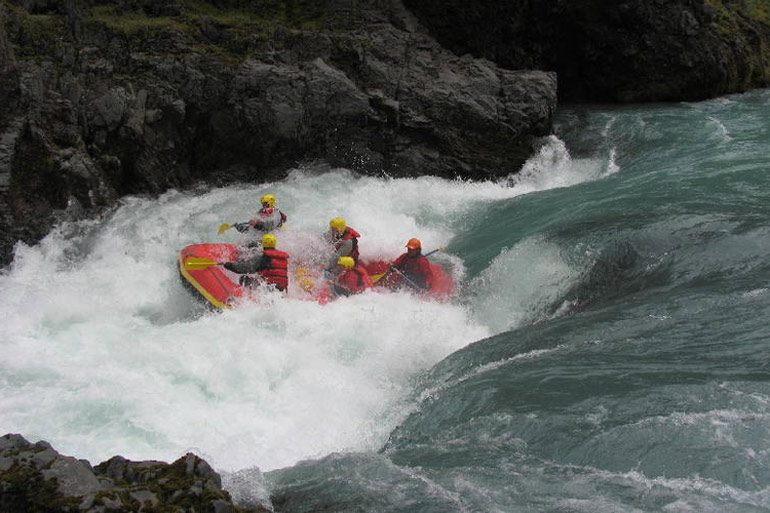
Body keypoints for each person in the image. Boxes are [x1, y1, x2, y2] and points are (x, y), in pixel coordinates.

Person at [223, 233, 289, 291]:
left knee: (244, 279)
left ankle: (249, 298)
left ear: (263, 243)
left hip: (268, 288)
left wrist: (230, 265)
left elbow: (245, 268)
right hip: (282, 289)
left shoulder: (262, 255)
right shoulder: (283, 258)